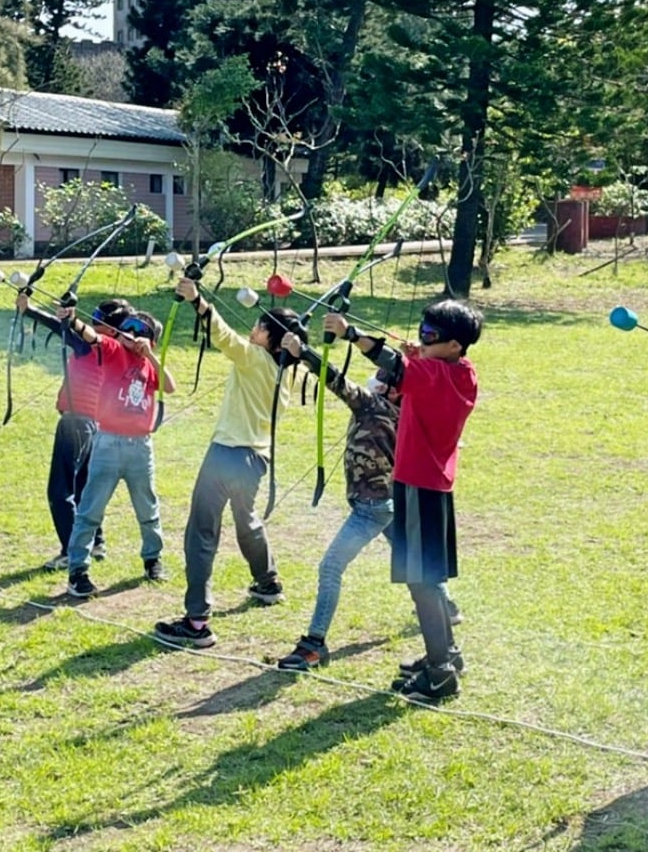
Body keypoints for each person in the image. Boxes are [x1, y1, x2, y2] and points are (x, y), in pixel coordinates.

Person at [272, 312, 458, 673]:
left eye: (382, 379)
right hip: (390, 501)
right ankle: (447, 613)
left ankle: (313, 645)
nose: (375, 382)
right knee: (420, 572)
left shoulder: (374, 404)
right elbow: (419, 379)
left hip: (371, 507)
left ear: (390, 388)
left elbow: (338, 382)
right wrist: (417, 358)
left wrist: (304, 352)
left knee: (330, 567)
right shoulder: (411, 410)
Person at [152, 280, 297, 649]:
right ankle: (268, 583)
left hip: (227, 455)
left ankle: (197, 623)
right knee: (246, 520)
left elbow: (223, 336)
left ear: (271, 338)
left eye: (262, 326)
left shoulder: (253, 358)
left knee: (201, 532)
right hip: (255, 461)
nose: (255, 328)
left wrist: (197, 301)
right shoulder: (282, 376)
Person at [380, 298, 483, 703]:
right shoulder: (458, 372)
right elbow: (412, 377)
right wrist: (420, 356)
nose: (421, 340)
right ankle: (446, 655)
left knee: (422, 580)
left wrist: (351, 334)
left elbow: (391, 364)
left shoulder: (434, 374)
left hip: (421, 485)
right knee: (428, 576)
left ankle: (440, 674)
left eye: (430, 336)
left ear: (455, 345)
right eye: (421, 332)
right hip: (425, 484)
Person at [45, 304, 173, 598]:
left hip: (140, 447)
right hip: (108, 442)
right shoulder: (113, 350)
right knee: (90, 509)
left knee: (148, 509)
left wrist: (150, 355)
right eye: (127, 326)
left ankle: (153, 561)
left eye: (140, 331)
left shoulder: (149, 365)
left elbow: (169, 385)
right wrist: (72, 319)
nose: (131, 333)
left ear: (151, 340)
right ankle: (78, 571)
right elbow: (92, 337)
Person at [15, 295, 126, 571]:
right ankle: (96, 541)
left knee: (60, 489)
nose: (92, 323)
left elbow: (61, 327)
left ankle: (70, 550)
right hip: (96, 424)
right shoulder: (119, 349)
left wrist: (30, 311)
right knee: (84, 487)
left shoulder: (95, 346)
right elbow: (66, 328)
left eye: (97, 320)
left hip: (76, 422)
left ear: (111, 329)